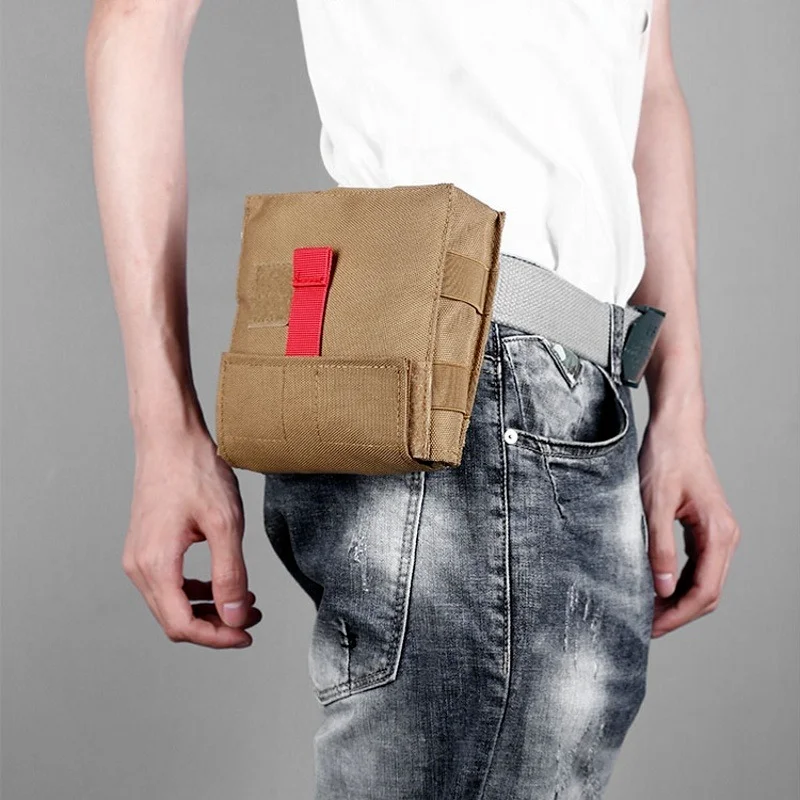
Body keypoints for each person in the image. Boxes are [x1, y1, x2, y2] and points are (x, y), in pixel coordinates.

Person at [85, 0, 741, 796]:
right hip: (465, 379)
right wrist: (164, 429)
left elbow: (647, 83)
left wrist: (681, 409)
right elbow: (139, 20)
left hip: (569, 392)